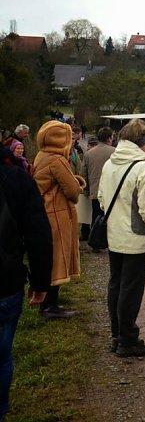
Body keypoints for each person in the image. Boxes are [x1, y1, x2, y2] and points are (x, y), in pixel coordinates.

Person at [98, 119, 145, 357]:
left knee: (116, 284)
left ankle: (117, 335)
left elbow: (101, 198)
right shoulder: (144, 169)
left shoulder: (110, 164)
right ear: (143, 142)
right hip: (136, 239)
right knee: (131, 289)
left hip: (114, 234)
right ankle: (127, 340)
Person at [0, 145, 52, 420]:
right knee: (1, 356)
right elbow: (37, 234)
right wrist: (41, 282)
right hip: (4, 282)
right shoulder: (15, 178)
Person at [32, 121, 85, 320]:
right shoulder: (57, 160)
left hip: (44, 211)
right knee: (57, 258)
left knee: (49, 257)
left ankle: (47, 303)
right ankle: (49, 306)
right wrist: (78, 183)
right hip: (56, 213)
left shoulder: (42, 155)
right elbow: (72, 192)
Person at [80, 127, 115, 247]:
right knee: (111, 217)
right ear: (109, 138)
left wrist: (85, 191)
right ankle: (110, 241)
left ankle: (96, 242)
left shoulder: (88, 154)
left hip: (95, 191)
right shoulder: (115, 152)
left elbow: (83, 174)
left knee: (96, 217)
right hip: (112, 191)